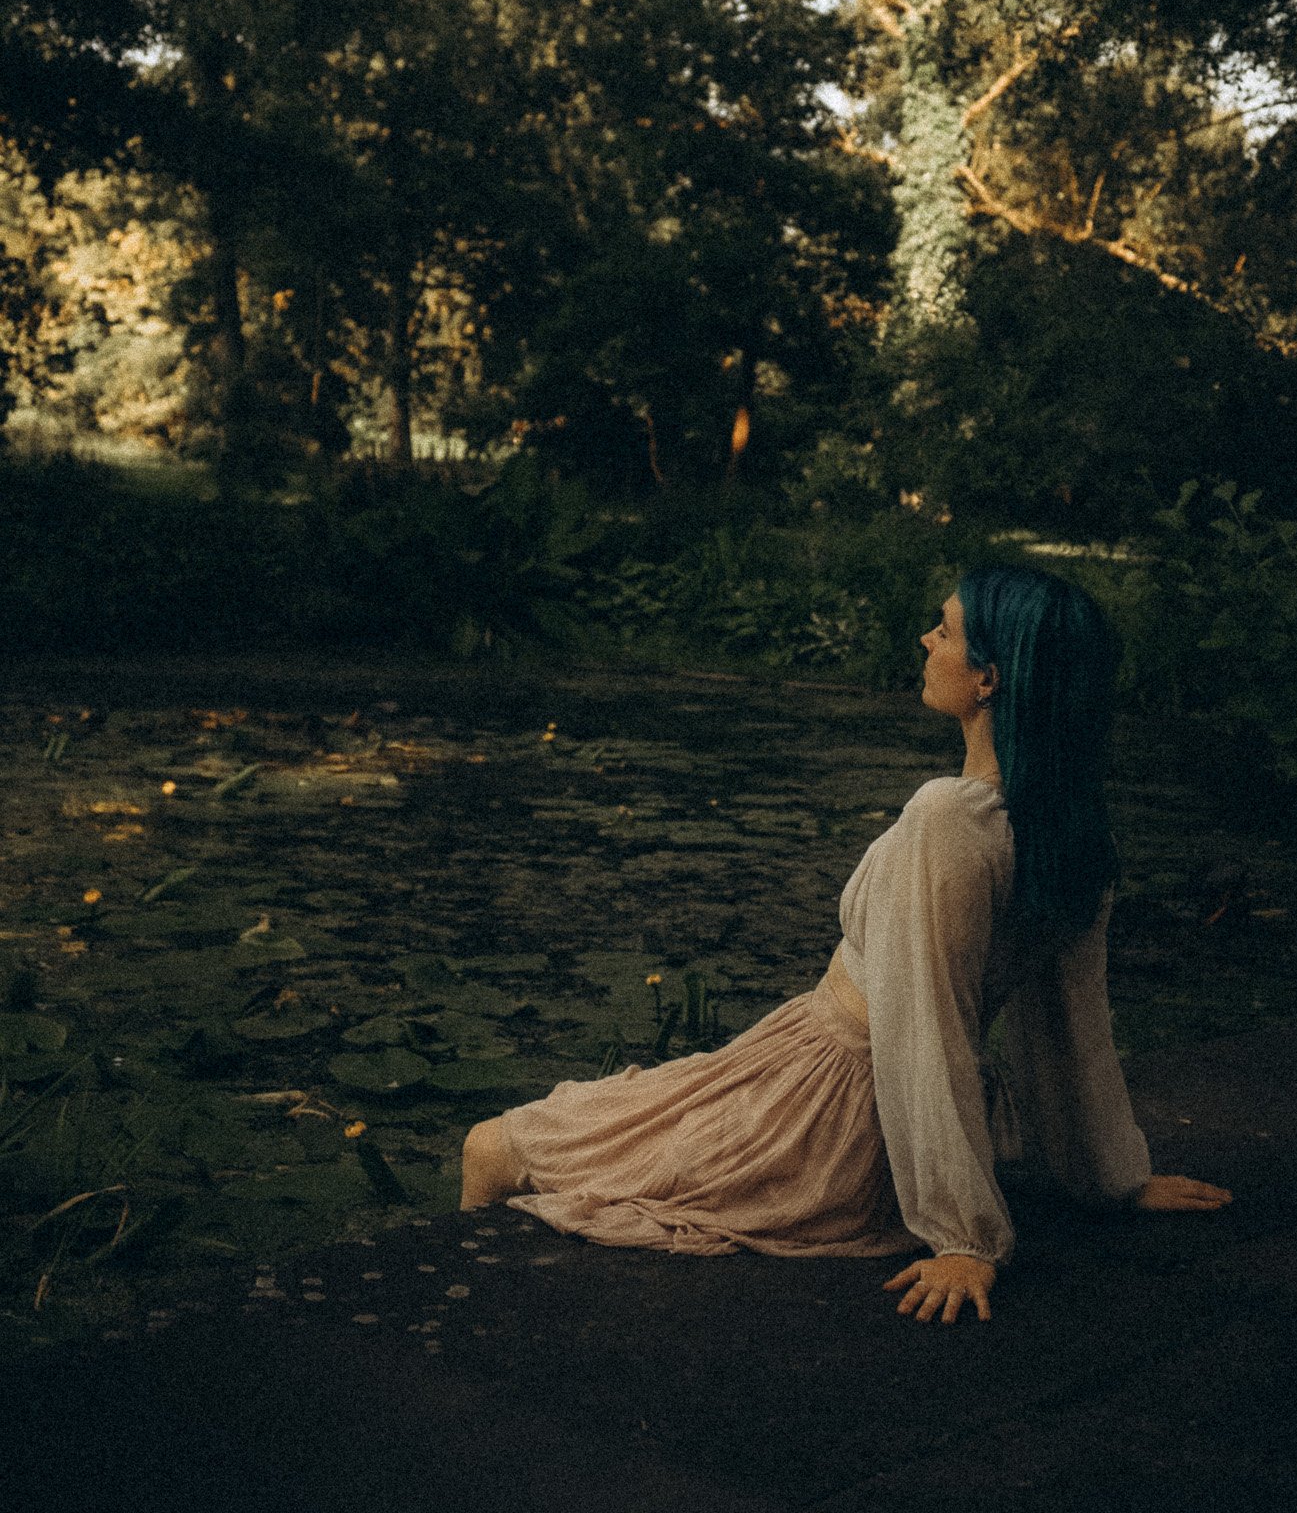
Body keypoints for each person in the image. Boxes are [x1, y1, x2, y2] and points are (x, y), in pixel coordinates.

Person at [461, 564, 1232, 1322]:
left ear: (990, 677)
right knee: (558, 1134)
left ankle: (465, 1345)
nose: (925, 639)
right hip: (816, 1078)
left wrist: (964, 1238)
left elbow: (924, 1025)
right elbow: (1070, 1019)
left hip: (822, 1109)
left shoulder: (949, 818)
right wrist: (1109, 1176)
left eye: (946, 629)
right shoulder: (1069, 831)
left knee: (493, 1147)